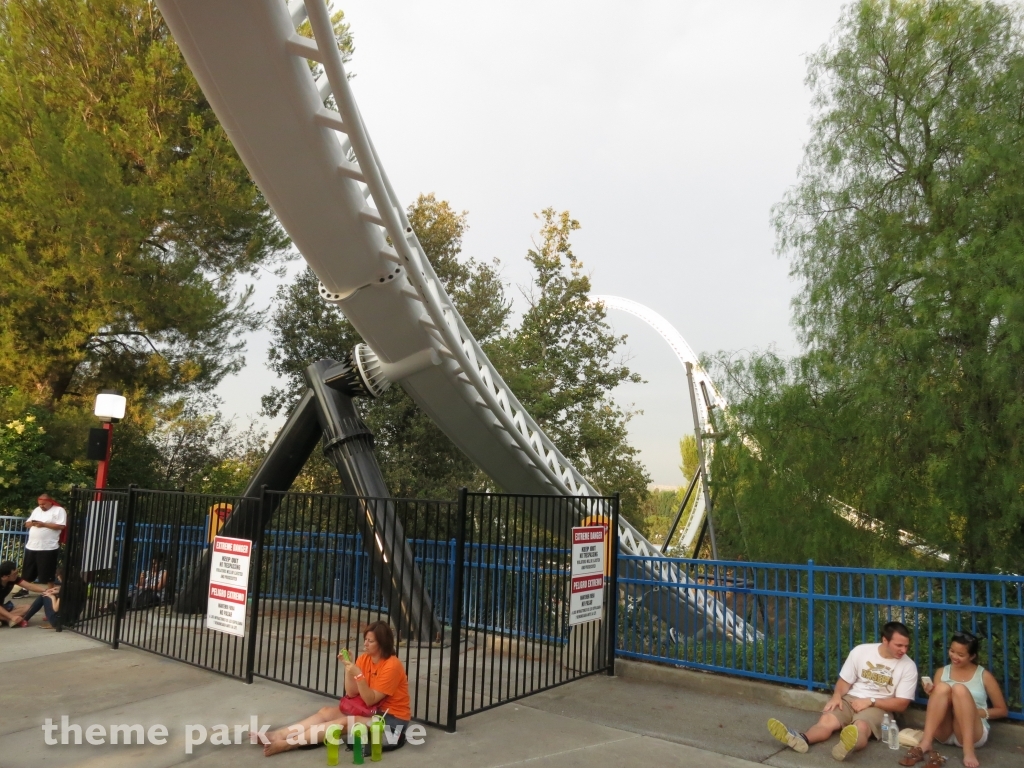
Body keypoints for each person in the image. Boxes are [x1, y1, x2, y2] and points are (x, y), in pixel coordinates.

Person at [767, 621, 918, 761]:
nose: (903, 650)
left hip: (879, 705)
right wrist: (837, 696)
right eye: (899, 645)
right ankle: (801, 738)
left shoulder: (908, 666)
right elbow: (845, 681)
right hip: (852, 697)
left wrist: (870, 701)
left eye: (906, 646)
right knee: (827, 720)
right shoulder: (861, 651)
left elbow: (902, 704)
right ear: (885, 640)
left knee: (861, 727)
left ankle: (846, 746)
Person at [258, 620, 412, 756]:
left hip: (390, 719)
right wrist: (348, 667)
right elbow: (352, 693)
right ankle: (280, 734)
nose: (365, 644)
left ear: (382, 644)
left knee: (345, 722)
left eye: (370, 641)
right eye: (365, 639)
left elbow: (370, 699)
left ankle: (286, 744)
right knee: (326, 712)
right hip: (368, 709)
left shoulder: (392, 665)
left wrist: (358, 675)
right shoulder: (365, 658)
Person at [900, 631, 1008, 768]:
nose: (954, 657)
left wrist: (974, 712)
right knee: (942, 688)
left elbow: (1002, 710)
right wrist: (932, 694)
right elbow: (939, 704)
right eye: (952, 651)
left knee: (959, 689)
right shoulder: (942, 672)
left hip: (972, 732)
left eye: (961, 655)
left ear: (972, 656)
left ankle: (968, 750)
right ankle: (926, 741)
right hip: (945, 731)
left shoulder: (984, 675)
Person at [23, 493, 66, 585]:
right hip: (32, 545)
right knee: (28, 571)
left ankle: (50, 591)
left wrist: (44, 524)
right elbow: (27, 524)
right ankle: (24, 589)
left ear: (50, 502)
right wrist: (33, 523)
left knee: (47, 572)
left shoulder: (59, 510)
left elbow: (61, 526)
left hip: (48, 547)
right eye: (40, 504)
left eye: (43, 504)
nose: (41, 506)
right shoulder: (37, 510)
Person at [0, 560, 50, 627]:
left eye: (17, 572)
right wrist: (11, 617)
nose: (16, 575)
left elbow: (29, 586)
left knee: (28, 608)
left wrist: (46, 590)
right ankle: (9, 619)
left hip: (2, 607)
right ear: (4, 577)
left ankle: (6, 619)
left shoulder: (13, 579)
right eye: (14, 574)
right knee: (9, 615)